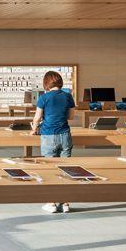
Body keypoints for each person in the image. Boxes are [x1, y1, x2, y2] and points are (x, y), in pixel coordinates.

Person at [31, 71, 75, 213]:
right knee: (65, 169)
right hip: (65, 135)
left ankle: (51, 203)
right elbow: (71, 116)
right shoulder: (68, 96)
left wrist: (34, 129)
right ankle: (65, 203)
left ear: (46, 83)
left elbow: (37, 118)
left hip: (49, 135)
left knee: (49, 168)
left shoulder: (43, 97)